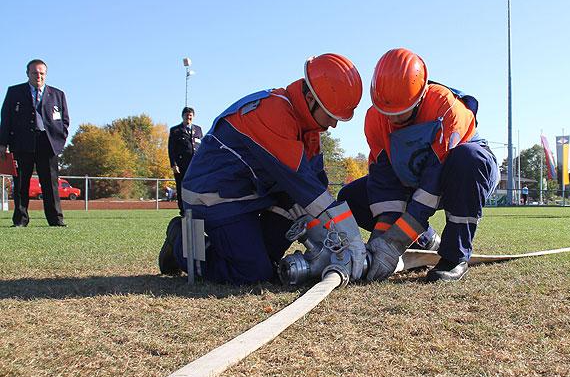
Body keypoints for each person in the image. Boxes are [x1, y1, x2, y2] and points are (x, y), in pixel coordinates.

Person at [158, 53, 366, 285]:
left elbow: (317, 183)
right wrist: (350, 236)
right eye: (330, 114)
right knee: (253, 273)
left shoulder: (307, 126)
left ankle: (248, 251)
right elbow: (304, 186)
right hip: (214, 198)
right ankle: (181, 245)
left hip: (250, 193)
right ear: (310, 98)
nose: (334, 124)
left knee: (268, 260)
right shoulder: (274, 113)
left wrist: (329, 236)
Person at [338, 48, 499, 283]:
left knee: (468, 158)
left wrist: (395, 242)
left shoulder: (446, 107)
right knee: (352, 196)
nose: (393, 120)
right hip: (412, 179)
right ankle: (426, 241)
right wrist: (380, 239)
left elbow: (434, 181)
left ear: (421, 95)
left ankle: (455, 256)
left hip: (459, 174)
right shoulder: (374, 119)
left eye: (401, 113)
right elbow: (384, 182)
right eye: (387, 112)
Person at [0, 59, 69, 227]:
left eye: (41, 73)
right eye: (34, 73)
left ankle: (56, 220)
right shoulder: (14, 92)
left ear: (45, 74)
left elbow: (64, 121)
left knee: (51, 184)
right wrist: (3, 143)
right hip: (22, 144)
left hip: (47, 144)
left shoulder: (57, 94)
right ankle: (20, 220)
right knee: (21, 183)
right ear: (27, 74)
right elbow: (5, 119)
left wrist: (59, 140)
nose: (38, 76)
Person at [168, 106, 203, 215]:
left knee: (196, 187)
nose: (189, 117)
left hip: (195, 165)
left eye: (190, 115)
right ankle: (183, 210)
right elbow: (171, 149)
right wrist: (174, 164)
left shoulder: (198, 129)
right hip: (181, 165)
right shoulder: (175, 130)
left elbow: (201, 146)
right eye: (187, 115)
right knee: (181, 187)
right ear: (182, 116)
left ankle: (196, 208)